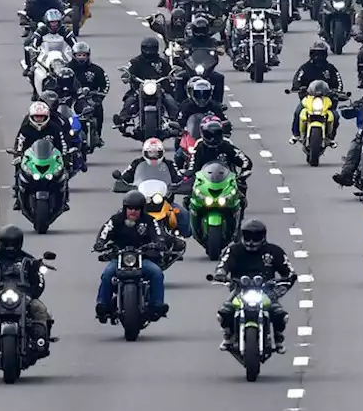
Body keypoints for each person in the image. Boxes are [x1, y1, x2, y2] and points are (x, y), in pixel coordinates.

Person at [0, 224, 55, 360]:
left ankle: (41, 342)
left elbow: (38, 281)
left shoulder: (28, 259)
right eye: (7, 243)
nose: (10, 247)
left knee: (41, 310)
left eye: (13, 243)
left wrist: (39, 269)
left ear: (19, 243)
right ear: (1, 242)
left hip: (24, 295)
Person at [214, 219, 297, 352]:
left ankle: (278, 337)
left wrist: (281, 285)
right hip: (240, 290)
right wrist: (220, 273)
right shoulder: (234, 250)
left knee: (280, 314)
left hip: (266, 291)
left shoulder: (274, 251)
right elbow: (223, 264)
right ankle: (228, 335)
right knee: (224, 313)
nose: (251, 241)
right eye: (248, 236)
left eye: (255, 237)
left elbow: (289, 272)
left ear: (263, 237)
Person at [94, 192, 170, 321]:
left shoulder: (150, 221)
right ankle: (103, 304)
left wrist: (160, 243)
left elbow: (159, 234)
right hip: (119, 258)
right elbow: (105, 231)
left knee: (157, 272)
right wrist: (100, 243)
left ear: (142, 209)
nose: (133, 212)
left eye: (136, 209)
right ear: (125, 208)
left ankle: (157, 305)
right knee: (107, 273)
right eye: (130, 208)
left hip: (143, 258)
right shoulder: (116, 219)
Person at [119, 138, 191, 237]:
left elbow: (178, 178)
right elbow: (124, 177)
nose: (153, 156)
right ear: (145, 152)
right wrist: (123, 184)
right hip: (142, 201)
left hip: (165, 201)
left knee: (183, 214)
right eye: (150, 153)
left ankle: (180, 237)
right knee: (121, 215)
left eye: (157, 153)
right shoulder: (136, 163)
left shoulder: (169, 164)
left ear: (162, 153)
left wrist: (181, 184)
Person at [11, 102, 69, 209]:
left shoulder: (55, 128)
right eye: (36, 117)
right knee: (18, 168)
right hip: (31, 159)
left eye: (42, 117)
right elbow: (19, 144)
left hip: (49, 159)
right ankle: (17, 195)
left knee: (64, 172)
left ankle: (64, 199)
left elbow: (63, 144)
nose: (39, 120)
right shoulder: (25, 129)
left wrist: (64, 156)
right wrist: (18, 155)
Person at [185, 117, 253, 186]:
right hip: (204, 183)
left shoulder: (226, 144)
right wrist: (188, 175)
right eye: (209, 135)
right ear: (203, 134)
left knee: (241, 189)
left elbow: (244, 160)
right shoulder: (200, 145)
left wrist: (244, 172)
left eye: (217, 134)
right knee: (191, 193)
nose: (213, 139)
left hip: (228, 182)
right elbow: (193, 164)